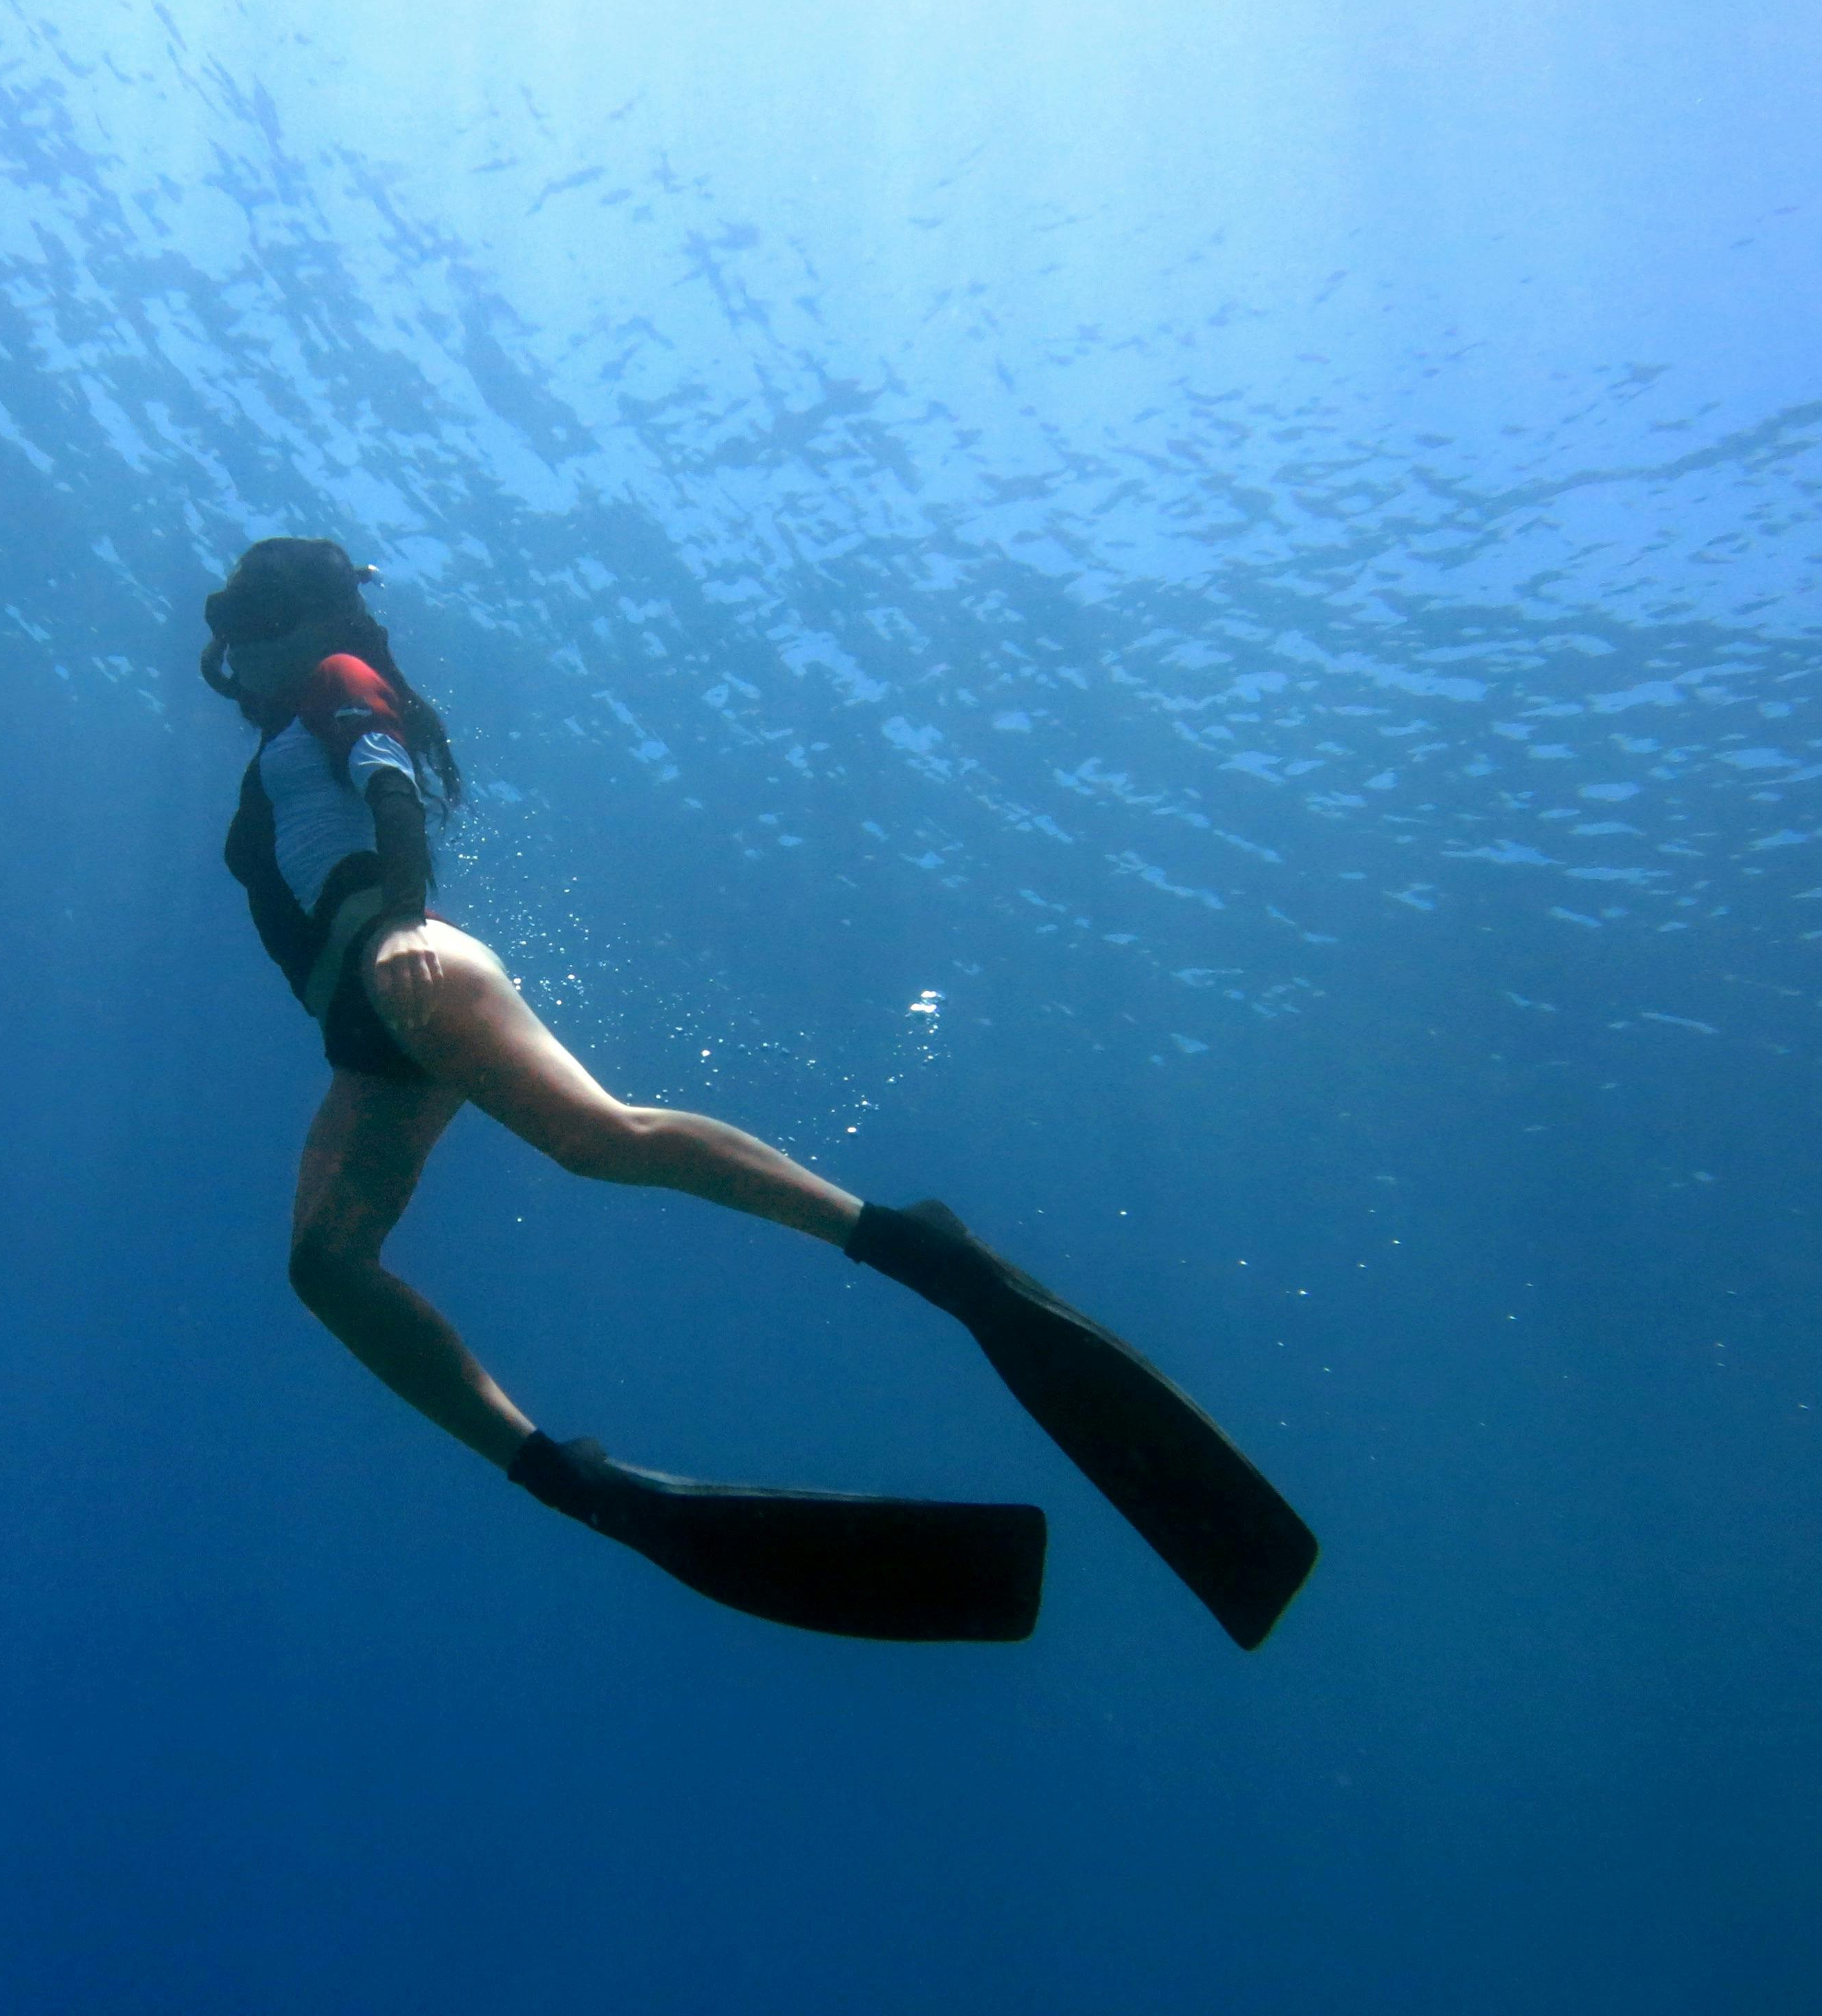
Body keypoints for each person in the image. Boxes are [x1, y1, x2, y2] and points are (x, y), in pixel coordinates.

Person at [198, 538, 1314, 1648]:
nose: (228, 652)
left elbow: (389, 790)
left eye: (246, 624)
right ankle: (559, 1475)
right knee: (326, 1265)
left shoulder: (340, 690)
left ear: (304, 623)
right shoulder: (286, 735)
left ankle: (910, 1244)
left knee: (597, 1139)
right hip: (368, 1033)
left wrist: (399, 920)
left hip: (406, 968)